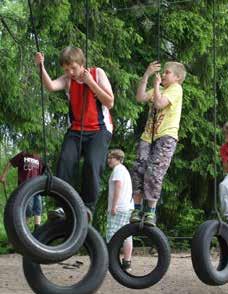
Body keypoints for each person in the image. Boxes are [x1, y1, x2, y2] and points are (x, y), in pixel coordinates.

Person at [34, 46, 114, 218]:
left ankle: (87, 208)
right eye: (66, 69)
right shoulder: (67, 80)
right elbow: (50, 86)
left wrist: (90, 83)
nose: (71, 72)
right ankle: (64, 205)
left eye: (73, 68)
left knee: (92, 164)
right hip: (76, 130)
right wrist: (41, 67)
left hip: (99, 130)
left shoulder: (97, 73)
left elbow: (110, 102)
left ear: (81, 63)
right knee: (65, 161)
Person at [130, 60, 186, 226]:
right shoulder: (159, 88)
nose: (163, 74)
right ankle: (137, 208)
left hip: (166, 136)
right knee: (138, 170)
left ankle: (150, 212)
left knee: (154, 172)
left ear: (177, 77)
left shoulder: (176, 89)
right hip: (148, 136)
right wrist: (147, 75)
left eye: (167, 72)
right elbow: (140, 97)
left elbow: (160, 104)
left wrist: (156, 87)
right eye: (164, 72)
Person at [0, 150, 44, 230]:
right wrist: (3, 175)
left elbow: (41, 174)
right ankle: (23, 231)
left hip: (37, 187)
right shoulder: (23, 154)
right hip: (25, 187)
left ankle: (37, 228)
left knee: (38, 207)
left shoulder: (39, 158)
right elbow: (10, 162)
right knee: (28, 209)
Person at [106, 149, 133, 271]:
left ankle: (112, 263)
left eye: (110, 158)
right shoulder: (124, 170)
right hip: (127, 207)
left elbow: (118, 186)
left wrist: (114, 206)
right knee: (126, 235)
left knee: (112, 234)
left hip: (119, 208)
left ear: (117, 159)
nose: (108, 160)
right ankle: (126, 263)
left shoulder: (118, 170)